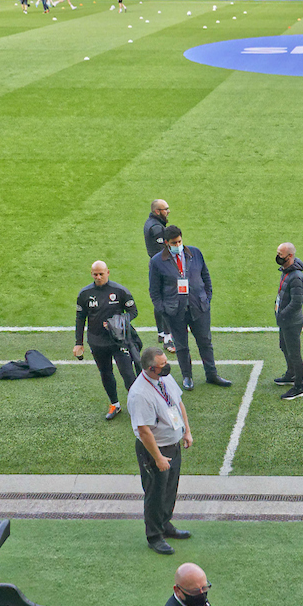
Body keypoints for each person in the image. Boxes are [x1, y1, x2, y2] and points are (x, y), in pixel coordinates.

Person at [129, 346, 193, 554]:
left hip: (172, 444)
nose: (167, 366)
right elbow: (144, 430)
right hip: (155, 449)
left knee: (170, 488)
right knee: (156, 492)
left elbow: (178, 403)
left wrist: (186, 431)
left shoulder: (163, 380)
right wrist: (157, 457)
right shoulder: (140, 393)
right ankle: (154, 535)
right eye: (162, 365)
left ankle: (165, 523)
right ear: (150, 368)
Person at [151, 225, 228, 390]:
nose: (178, 244)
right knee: (181, 346)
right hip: (174, 311)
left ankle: (212, 374)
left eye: (179, 241)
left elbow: (206, 276)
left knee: (205, 342)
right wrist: (163, 309)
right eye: (174, 242)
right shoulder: (157, 261)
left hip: (198, 307)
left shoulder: (195, 253)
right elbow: (154, 291)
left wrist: (206, 299)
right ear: (166, 243)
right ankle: (187, 377)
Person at [73, 261, 141, 421]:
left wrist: (118, 321)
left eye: (101, 274)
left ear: (108, 272)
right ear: (91, 274)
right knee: (105, 373)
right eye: (95, 274)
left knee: (128, 374)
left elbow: (133, 311)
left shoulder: (119, 291)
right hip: (97, 342)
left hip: (118, 341)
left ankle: (137, 406)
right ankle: (114, 404)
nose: (98, 277)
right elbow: (80, 318)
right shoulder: (85, 294)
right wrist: (78, 342)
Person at [274, 242, 303, 401]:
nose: (278, 256)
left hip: (291, 322)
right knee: (283, 346)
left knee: (294, 354)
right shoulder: (287, 271)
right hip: (285, 320)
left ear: (290, 256)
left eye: (280, 254)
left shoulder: (296, 277)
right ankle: (290, 374)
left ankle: (299, 387)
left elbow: (296, 303)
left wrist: (282, 314)